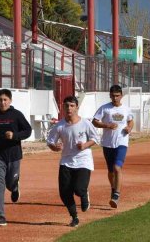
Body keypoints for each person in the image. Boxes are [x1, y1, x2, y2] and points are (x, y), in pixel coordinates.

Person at [47, 95, 100, 227]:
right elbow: (50, 141)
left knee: (78, 188)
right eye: (66, 106)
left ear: (77, 107)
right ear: (63, 107)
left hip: (83, 160)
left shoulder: (85, 123)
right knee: (64, 193)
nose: (69, 108)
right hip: (66, 161)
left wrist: (85, 145)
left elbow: (95, 138)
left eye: (72, 106)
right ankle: (74, 217)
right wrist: (55, 147)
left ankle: (84, 194)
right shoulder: (60, 126)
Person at [0, 89, 33, 226]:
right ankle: (1, 215)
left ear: (10, 100)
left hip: (14, 155)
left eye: (5, 100)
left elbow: (28, 130)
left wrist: (15, 136)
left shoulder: (16, 115)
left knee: (10, 182)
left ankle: (14, 187)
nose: (3, 102)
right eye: (0, 100)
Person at [92, 84, 134, 208]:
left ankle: (116, 194)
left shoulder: (126, 109)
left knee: (117, 168)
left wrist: (129, 128)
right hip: (107, 143)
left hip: (122, 142)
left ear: (121, 96)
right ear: (110, 96)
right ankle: (113, 187)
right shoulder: (104, 109)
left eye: (117, 96)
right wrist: (107, 125)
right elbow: (94, 121)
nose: (115, 98)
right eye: (113, 96)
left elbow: (130, 121)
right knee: (110, 171)